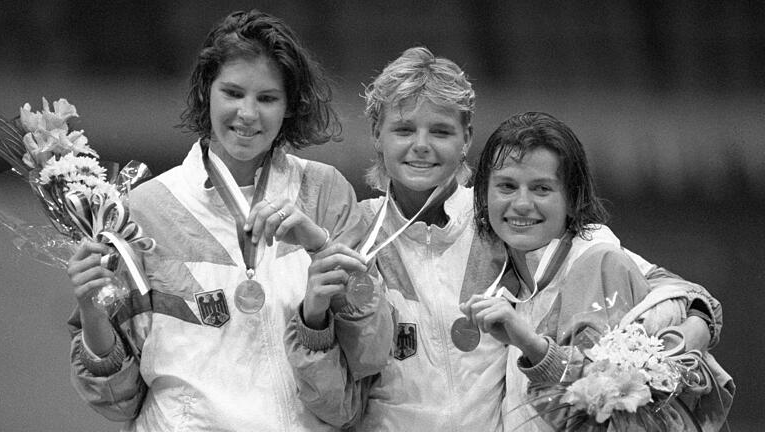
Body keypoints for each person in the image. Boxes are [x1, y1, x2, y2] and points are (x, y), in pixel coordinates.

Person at [287, 47, 723, 431]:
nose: (421, 146)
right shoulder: (358, 236)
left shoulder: (504, 223)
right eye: (403, 130)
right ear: (376, 137)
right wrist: (314, 323)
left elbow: (668, 287)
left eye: (440, 131)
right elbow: (338, 405)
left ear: (466, 140)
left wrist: (694, 324)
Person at [65, 9, 371, 431]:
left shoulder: (324, 193)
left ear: (289, 107)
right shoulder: (143, 211)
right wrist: (91, 309)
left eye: (267, 98)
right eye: (232, 92)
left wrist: (319, 250)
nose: (247, 113)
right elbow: (117, 402)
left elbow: (366, 360)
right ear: (206, 91)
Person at [465, 112, 734, 431]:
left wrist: (530, 345)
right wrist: (699, 317)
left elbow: (593, 414)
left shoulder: (595, 261)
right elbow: (685, 292)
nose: (522, 203)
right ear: (483, 193)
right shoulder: (513, 258)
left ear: (572, 198)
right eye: (507, 186)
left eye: (541, 189)